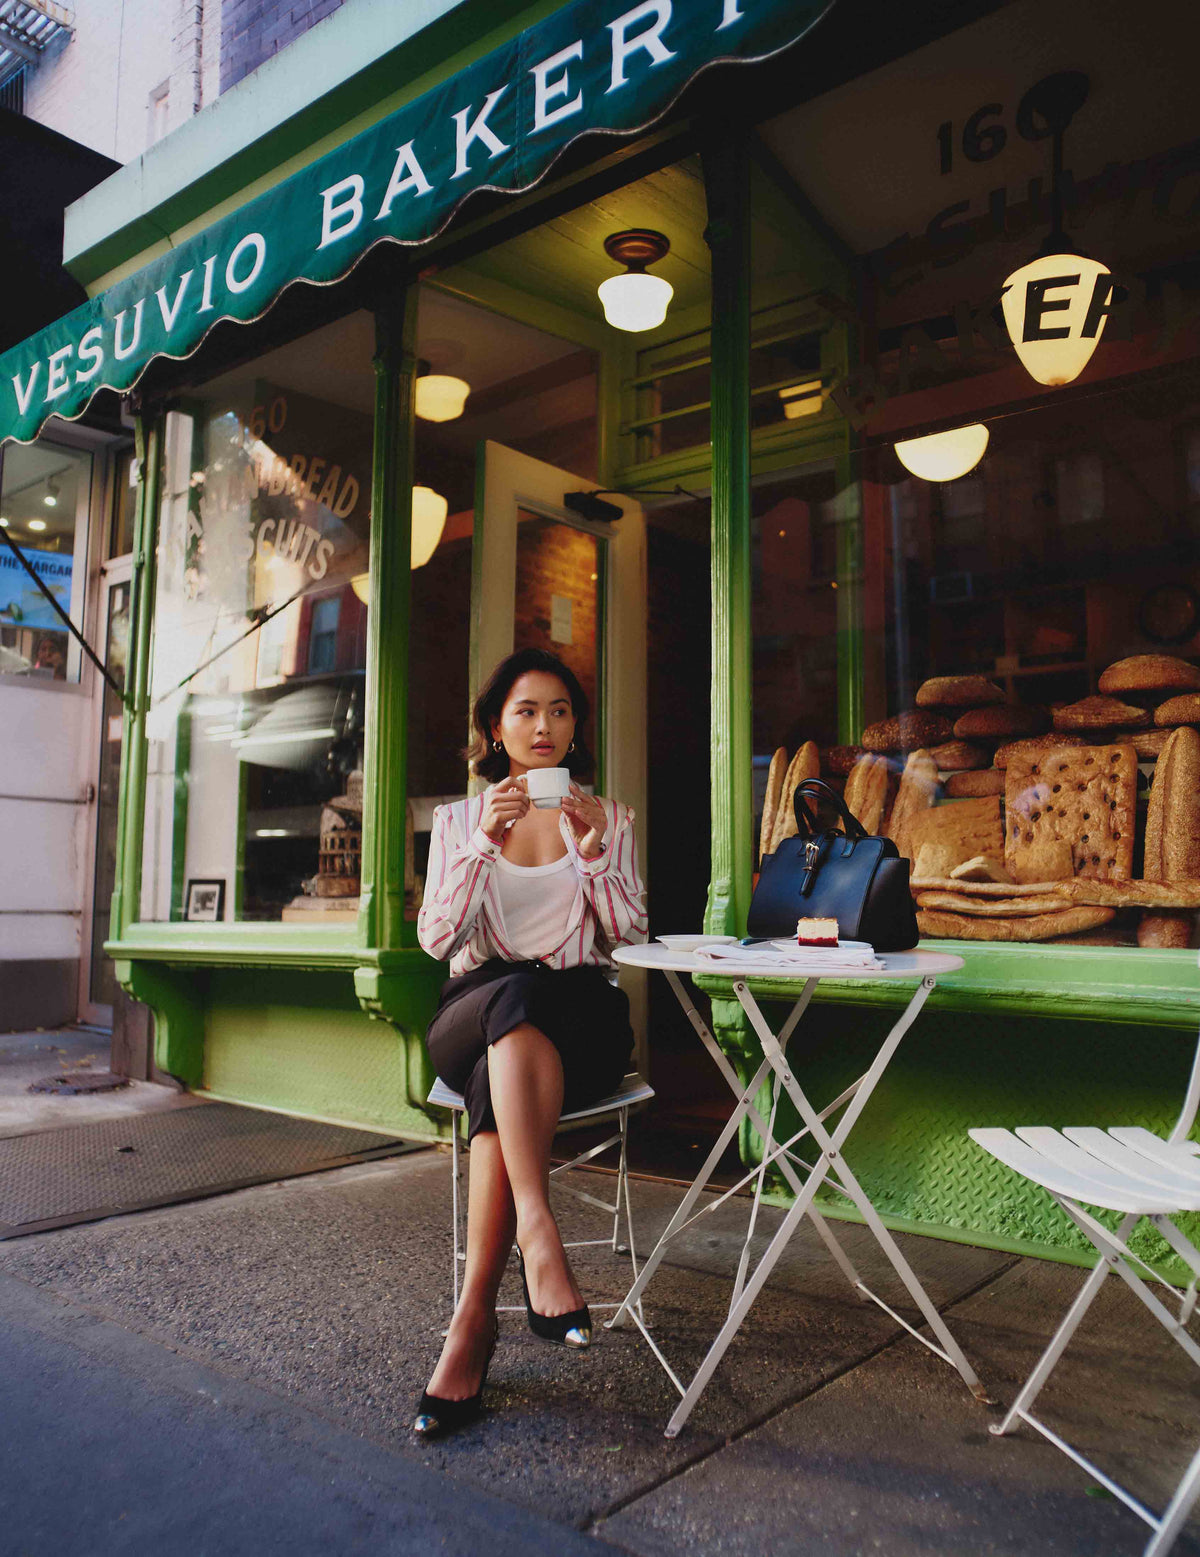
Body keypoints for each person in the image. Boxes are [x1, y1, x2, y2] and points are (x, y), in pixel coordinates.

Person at [414, 646, 648, 1437]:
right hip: (473, 1006)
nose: (544, 725)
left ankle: (472, 1323)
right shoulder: (455, 820)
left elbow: (629, 935)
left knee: (506, 1049)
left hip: (577, 1017)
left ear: (576, 726)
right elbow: (437, 936)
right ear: (495, 727)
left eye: (559, 710)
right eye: (525, 710)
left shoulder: (608, 818)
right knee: (510, 994)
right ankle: (539, 1235)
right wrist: (482, 843)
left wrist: (592, 856)